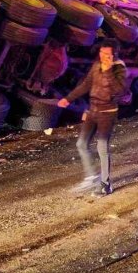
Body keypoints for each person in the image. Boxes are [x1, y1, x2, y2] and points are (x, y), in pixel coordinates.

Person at [57, 39, 127, 196]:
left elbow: (120, 91)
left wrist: (108, 71)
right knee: (81, 144)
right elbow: (86, 85)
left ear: (114, 54)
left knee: (102, 148)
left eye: (107, 54)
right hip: (92, 111)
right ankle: (91, 177)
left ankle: (106, 184)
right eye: (101, 52)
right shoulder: (96, 65)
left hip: (107, 114)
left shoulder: (119, 68)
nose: (103, 56)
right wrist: (68, 98)